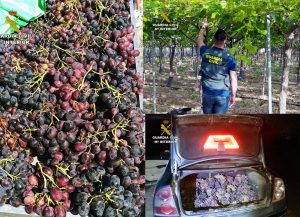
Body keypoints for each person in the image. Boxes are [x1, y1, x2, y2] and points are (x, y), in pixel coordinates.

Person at [198, 18, 238, 114]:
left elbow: (199, 39)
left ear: (213, 39)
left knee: (207, 120)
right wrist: (233, 95)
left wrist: (203, 27)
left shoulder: (205, 52)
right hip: (222, 95)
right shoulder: (230, 58)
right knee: (219, 123)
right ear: (225, 40)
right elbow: (234, 78)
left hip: (207, 93)